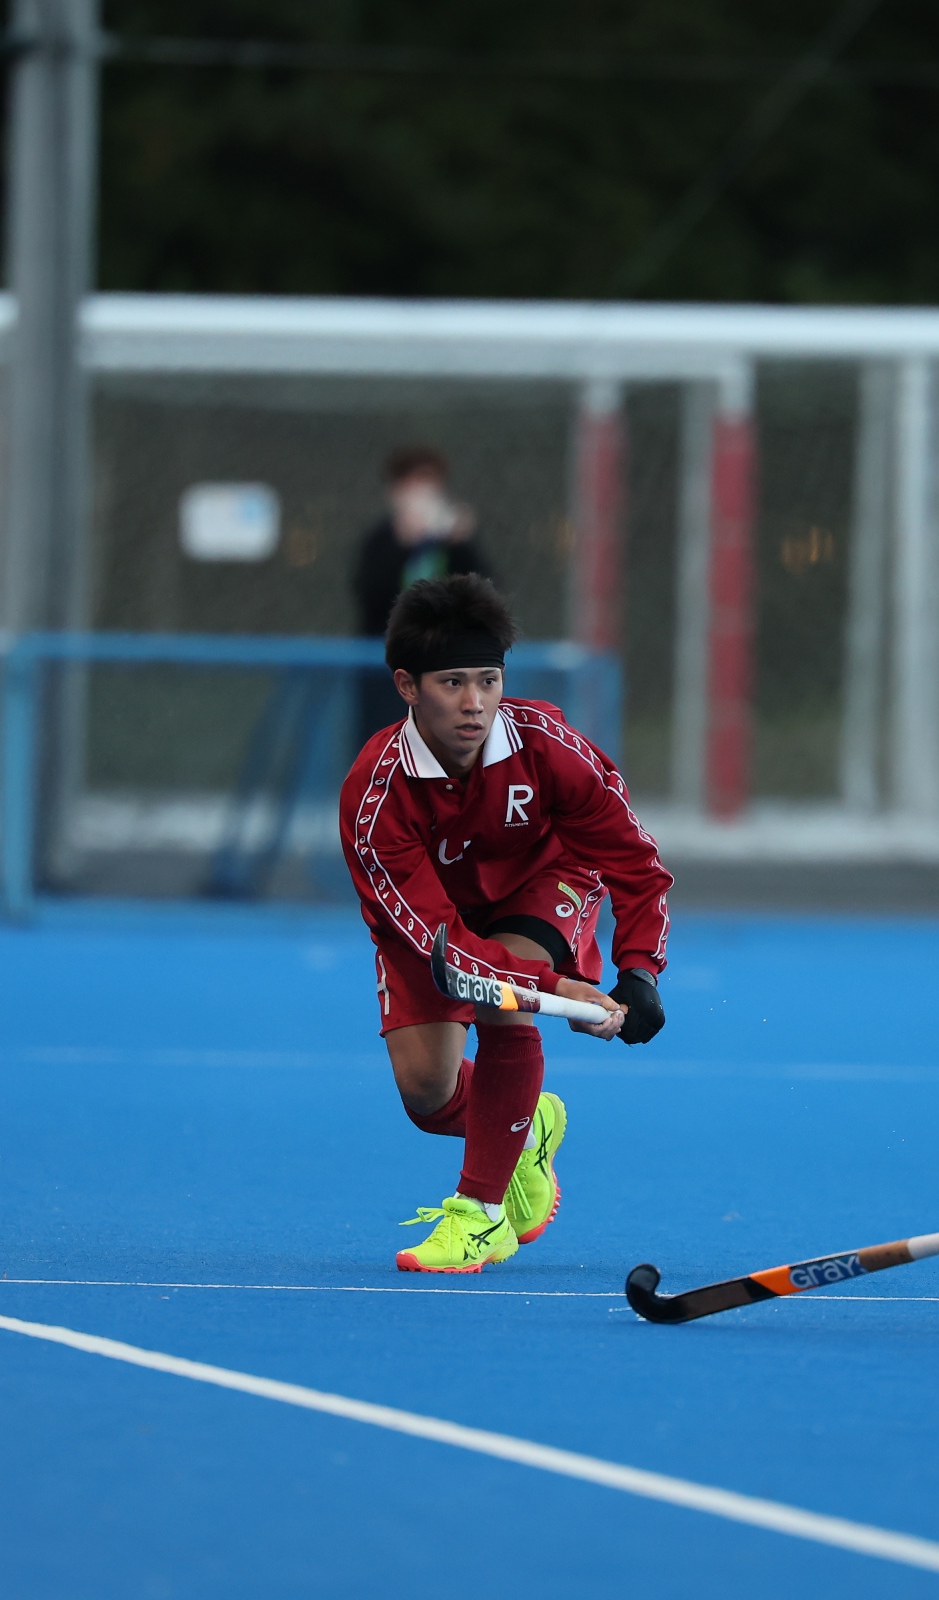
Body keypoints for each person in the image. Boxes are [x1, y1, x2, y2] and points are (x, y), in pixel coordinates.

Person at [338, 574, 671, 1272]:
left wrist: (638, 970)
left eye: (488, 681)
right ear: (407, 686)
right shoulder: (376, 798)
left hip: (543, 884)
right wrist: (559, 989)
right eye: (452, 683)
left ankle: (480, 1216)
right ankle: (529, 1123)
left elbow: (637, 865)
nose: (475, 704)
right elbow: (442, 942)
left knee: (502, 1003)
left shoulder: (548, 747)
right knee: (427, 1096)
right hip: (435, 927)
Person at [352, 445, 489, 738]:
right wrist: (404, 544)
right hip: (387, 672)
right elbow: (371, 598)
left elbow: (484, 593)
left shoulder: (453, 543)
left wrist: (460, 542)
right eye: (411, 483)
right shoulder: (380, 541)